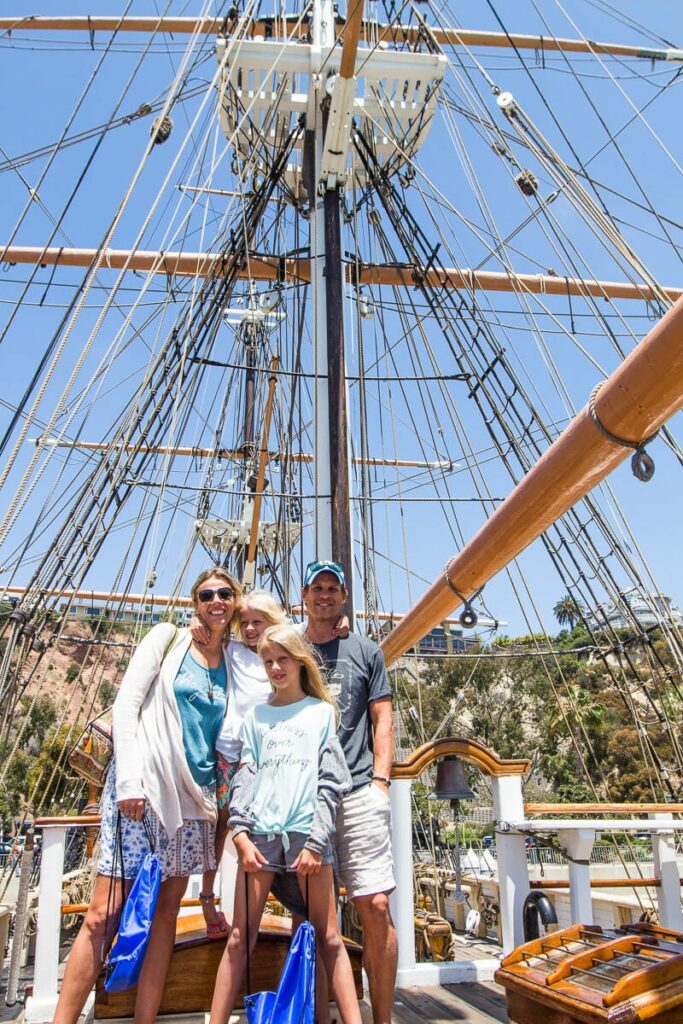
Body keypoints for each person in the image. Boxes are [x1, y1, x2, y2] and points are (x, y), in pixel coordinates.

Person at [52, 567, 241, 1024]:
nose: (216, 600)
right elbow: (126, 705)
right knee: (104, 913)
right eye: (206, 593)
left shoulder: (238, 658)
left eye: (225, 593)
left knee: (165, 918)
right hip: (142, 793)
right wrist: (130, 783)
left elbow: (280, 639)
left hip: (192, 801)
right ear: (195, 601)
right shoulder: (168, 638)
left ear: (236, 601)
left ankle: (145, 1020)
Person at [208, 624, 360, 1024]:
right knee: (240, 936)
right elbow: (246, 776)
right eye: (268, 661)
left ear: (300, 661)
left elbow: (330, 783)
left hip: (306, 833)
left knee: (329, 937)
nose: (276, 668)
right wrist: (239, 833)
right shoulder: (257, 717)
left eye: (283, 659)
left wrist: (315, 841)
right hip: (261, 834)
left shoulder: (321, 713)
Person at [301, 560, 397, 1024]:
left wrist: (381, 781)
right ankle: (323, 1015)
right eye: (317, 587)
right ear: (305, 595)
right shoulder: (291, 648)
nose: (324, 595)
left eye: (332, 588)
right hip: (306, 796)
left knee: (375, 906)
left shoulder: (365, 651)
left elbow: (382, 718)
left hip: (360, 790)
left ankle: (382, 1018)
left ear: (343, 596)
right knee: (316, 916)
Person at [197, 591, 287, 933]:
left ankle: (259, 905)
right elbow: (208, 632)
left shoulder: (282, 655)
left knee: (259, 828)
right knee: (222, 825)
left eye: (257, 622)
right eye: (245, 623)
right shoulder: (232, 651)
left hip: (266, 758)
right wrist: (197, 622)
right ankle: (208, 897)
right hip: (230, 753)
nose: (250, 629)